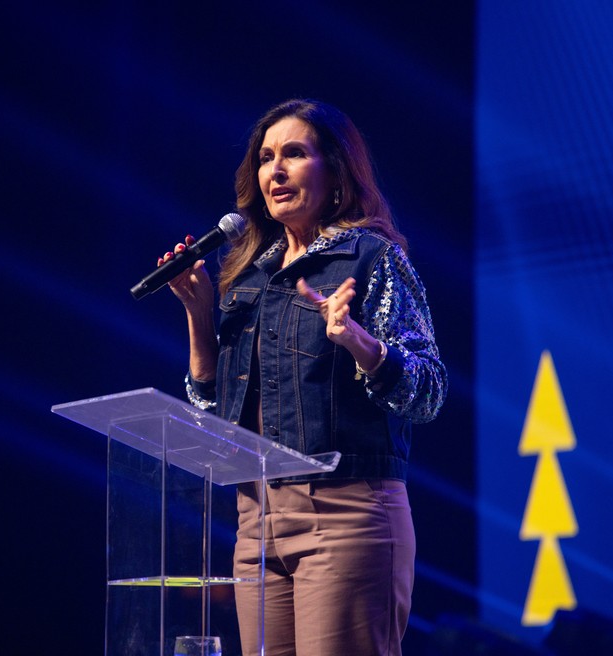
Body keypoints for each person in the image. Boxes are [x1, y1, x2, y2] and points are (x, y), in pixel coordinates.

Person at [157, 98, 447, 656]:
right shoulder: (247, 277)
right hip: (255, 525)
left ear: (335, 171)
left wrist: (358, 341)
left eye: (294, 153)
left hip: (345, 518)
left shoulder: (370, 259)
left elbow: (428, 392)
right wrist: (199, 321)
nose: (276, 171)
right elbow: (213, 422)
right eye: (266, 157)